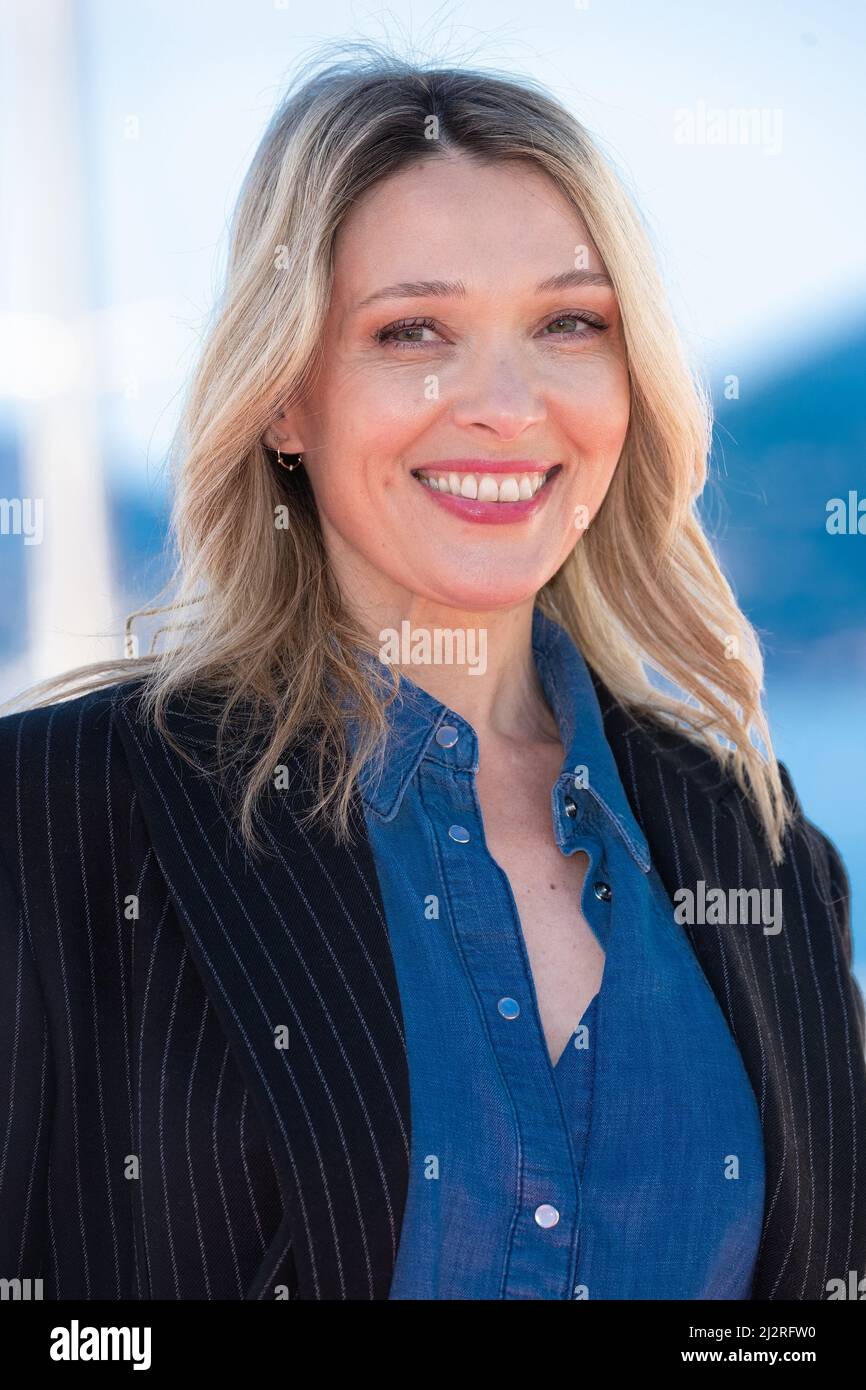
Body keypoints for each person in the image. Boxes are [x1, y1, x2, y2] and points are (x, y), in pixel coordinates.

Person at [1, 44, 864, 1302]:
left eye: (568, 323)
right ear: (286, 397)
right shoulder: (55, 817)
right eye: (413, 330)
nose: (506, 403)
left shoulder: (762, 847)